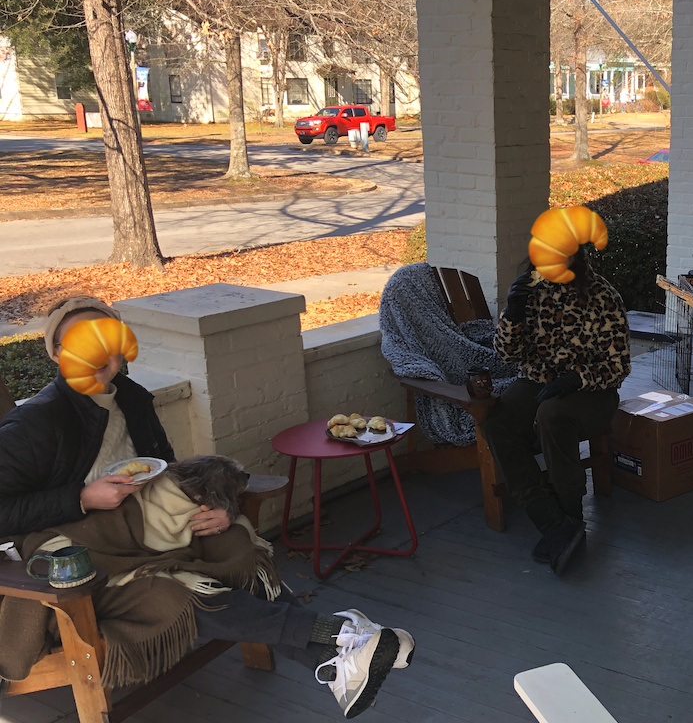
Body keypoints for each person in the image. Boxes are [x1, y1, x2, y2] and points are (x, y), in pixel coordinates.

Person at [0, 297, 413, 719]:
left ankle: (339, 661)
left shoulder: (132, 399)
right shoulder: (36, 423)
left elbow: (170, 470)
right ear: (56, 353)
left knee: (234, 541)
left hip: (145, 529)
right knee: (172, 595)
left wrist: (223, 507)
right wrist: (82, 497)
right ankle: (342, 635)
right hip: (79, 557)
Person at [484, 246, 631, 576]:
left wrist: (576, 378)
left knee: (553, 415)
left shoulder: (602, 294)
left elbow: (619, 365)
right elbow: (507, 356)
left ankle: (571, 514)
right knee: (498, 422)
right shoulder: (532, 292)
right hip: (539, 382)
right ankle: (552, 523)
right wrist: (513, 313)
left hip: (592, 389)